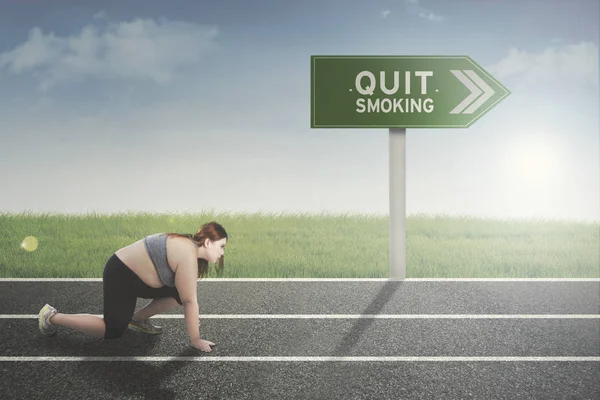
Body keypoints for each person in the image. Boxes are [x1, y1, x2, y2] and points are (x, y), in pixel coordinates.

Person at [38, 221, 228, 353]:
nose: (222, 253)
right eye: (221, 246)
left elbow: (185, 295)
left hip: (141, 280)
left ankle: (137, 320)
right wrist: (195, 340)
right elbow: (190, 301)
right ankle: (51, 317)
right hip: (121, 274)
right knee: (112, 331)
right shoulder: (187, 252)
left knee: (177, 293)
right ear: (208, 242)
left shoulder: (190, 251)